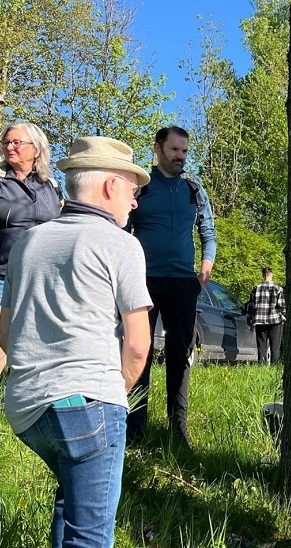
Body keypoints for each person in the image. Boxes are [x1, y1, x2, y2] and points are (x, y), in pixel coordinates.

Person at [0, 136, 152, 547]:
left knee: (71, 506)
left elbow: (5, 333)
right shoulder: (122, 245)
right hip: (90, 404)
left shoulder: (27, 243)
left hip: (26, 410)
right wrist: (112, 393)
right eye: (132, 190)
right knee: (90, 536)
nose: (134, 202)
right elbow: (139, 344)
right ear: (110, 187)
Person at [126, 126, 217, 448]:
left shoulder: (195, 190)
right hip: (142, 283)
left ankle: (177, 431)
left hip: (183, 284)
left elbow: (209, 232)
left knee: (180, 355)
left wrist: (206, 264)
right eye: (174, 150)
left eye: (184, 152)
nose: (180, 157)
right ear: (158, 149)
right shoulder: (139, 189)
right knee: (139, 353)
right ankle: (134, 432)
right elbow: (122, 231)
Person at [0, 122, 62, 369]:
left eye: (17, 142)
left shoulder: (52, 186)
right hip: (3, 275)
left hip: (42, 278)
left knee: (34, 342)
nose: (10, 147)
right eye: (6, 143)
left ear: (36, 149)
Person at [247, 267, 286, 364]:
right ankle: (274, 364)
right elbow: (282, 306)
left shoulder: (256, 289)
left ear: (262, 275)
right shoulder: (277, 288)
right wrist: (283, 315)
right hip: (275, 320)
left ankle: (261, 365)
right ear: (271, 275)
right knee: (275, 346)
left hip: (260, 320)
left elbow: (251, 306)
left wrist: (251, 319)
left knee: (261, 346)